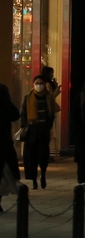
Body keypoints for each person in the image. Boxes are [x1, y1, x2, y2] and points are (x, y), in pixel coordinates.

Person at [20, 74, 58, 189]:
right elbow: (23, 113)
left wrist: (48, 125)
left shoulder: (48, 97)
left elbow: (51, 114)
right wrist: (24, 126)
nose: (39, 86)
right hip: (31, 130)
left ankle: (43, 174)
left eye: (41, 83)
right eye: (37, 83)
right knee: (31, 157)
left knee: (43, 155)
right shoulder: (28, 97)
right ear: (33, 84)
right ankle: (33, 180)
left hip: (43, 131)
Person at [0, 83, 19, 212]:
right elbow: (15, 115)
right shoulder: (6, 105)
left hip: (4, 142)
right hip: (4, 143)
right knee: (2, 173)